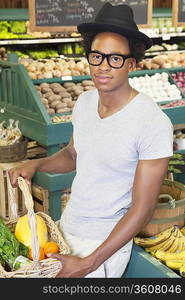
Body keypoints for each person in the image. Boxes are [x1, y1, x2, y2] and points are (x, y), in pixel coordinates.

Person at [8, 3, 173, 278]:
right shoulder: (84, 102)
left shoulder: (152, 123)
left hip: (103, 247)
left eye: (115, 58)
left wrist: (89, 263)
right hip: (67, 228)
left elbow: (142, 210)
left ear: (131, 63)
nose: (103, 67)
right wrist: (37, 164)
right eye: (96, 56)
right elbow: (73, 155)